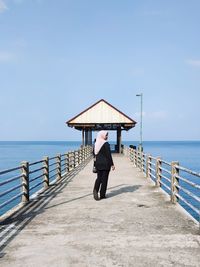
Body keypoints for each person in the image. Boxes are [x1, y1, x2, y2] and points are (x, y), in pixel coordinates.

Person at [93, 130, 115, 200]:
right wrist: (112, 164)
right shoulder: (106, 144)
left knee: (99, 178)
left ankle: (95, 190)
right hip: (106, 164)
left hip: (98, 164)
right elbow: (109, 155)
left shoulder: (96, 144)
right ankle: (102, 195)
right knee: (104, 179)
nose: (107, 136)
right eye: (106, 135)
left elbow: (94, 154)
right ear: (102, 135)